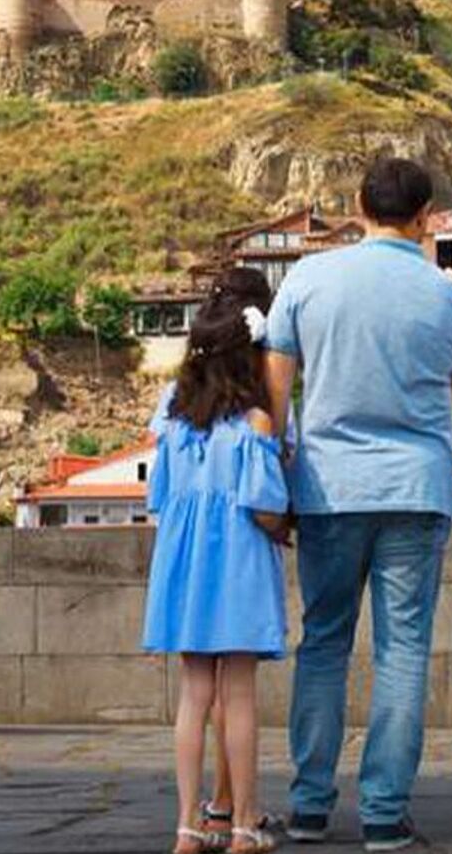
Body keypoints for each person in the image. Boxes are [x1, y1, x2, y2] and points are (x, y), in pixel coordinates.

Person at [266, 158, 452, 853]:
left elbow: (276, 388)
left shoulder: (307, 278)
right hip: (416, 488)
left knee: (324, 642)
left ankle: (309, 806)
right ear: (426, 217)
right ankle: (385, 814)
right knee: (403, 650)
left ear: (357, 206)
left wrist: (276, 478)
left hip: (328, 486)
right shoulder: (447, 291)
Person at [142, 298, 293, 854]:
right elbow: (266, 506)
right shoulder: (254, 423)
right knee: (239, 694)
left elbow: (158, 497)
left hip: (184, 563)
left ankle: (187, 826)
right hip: (239, 561)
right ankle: (244, 826)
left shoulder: (174, 419)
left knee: (194, 694)